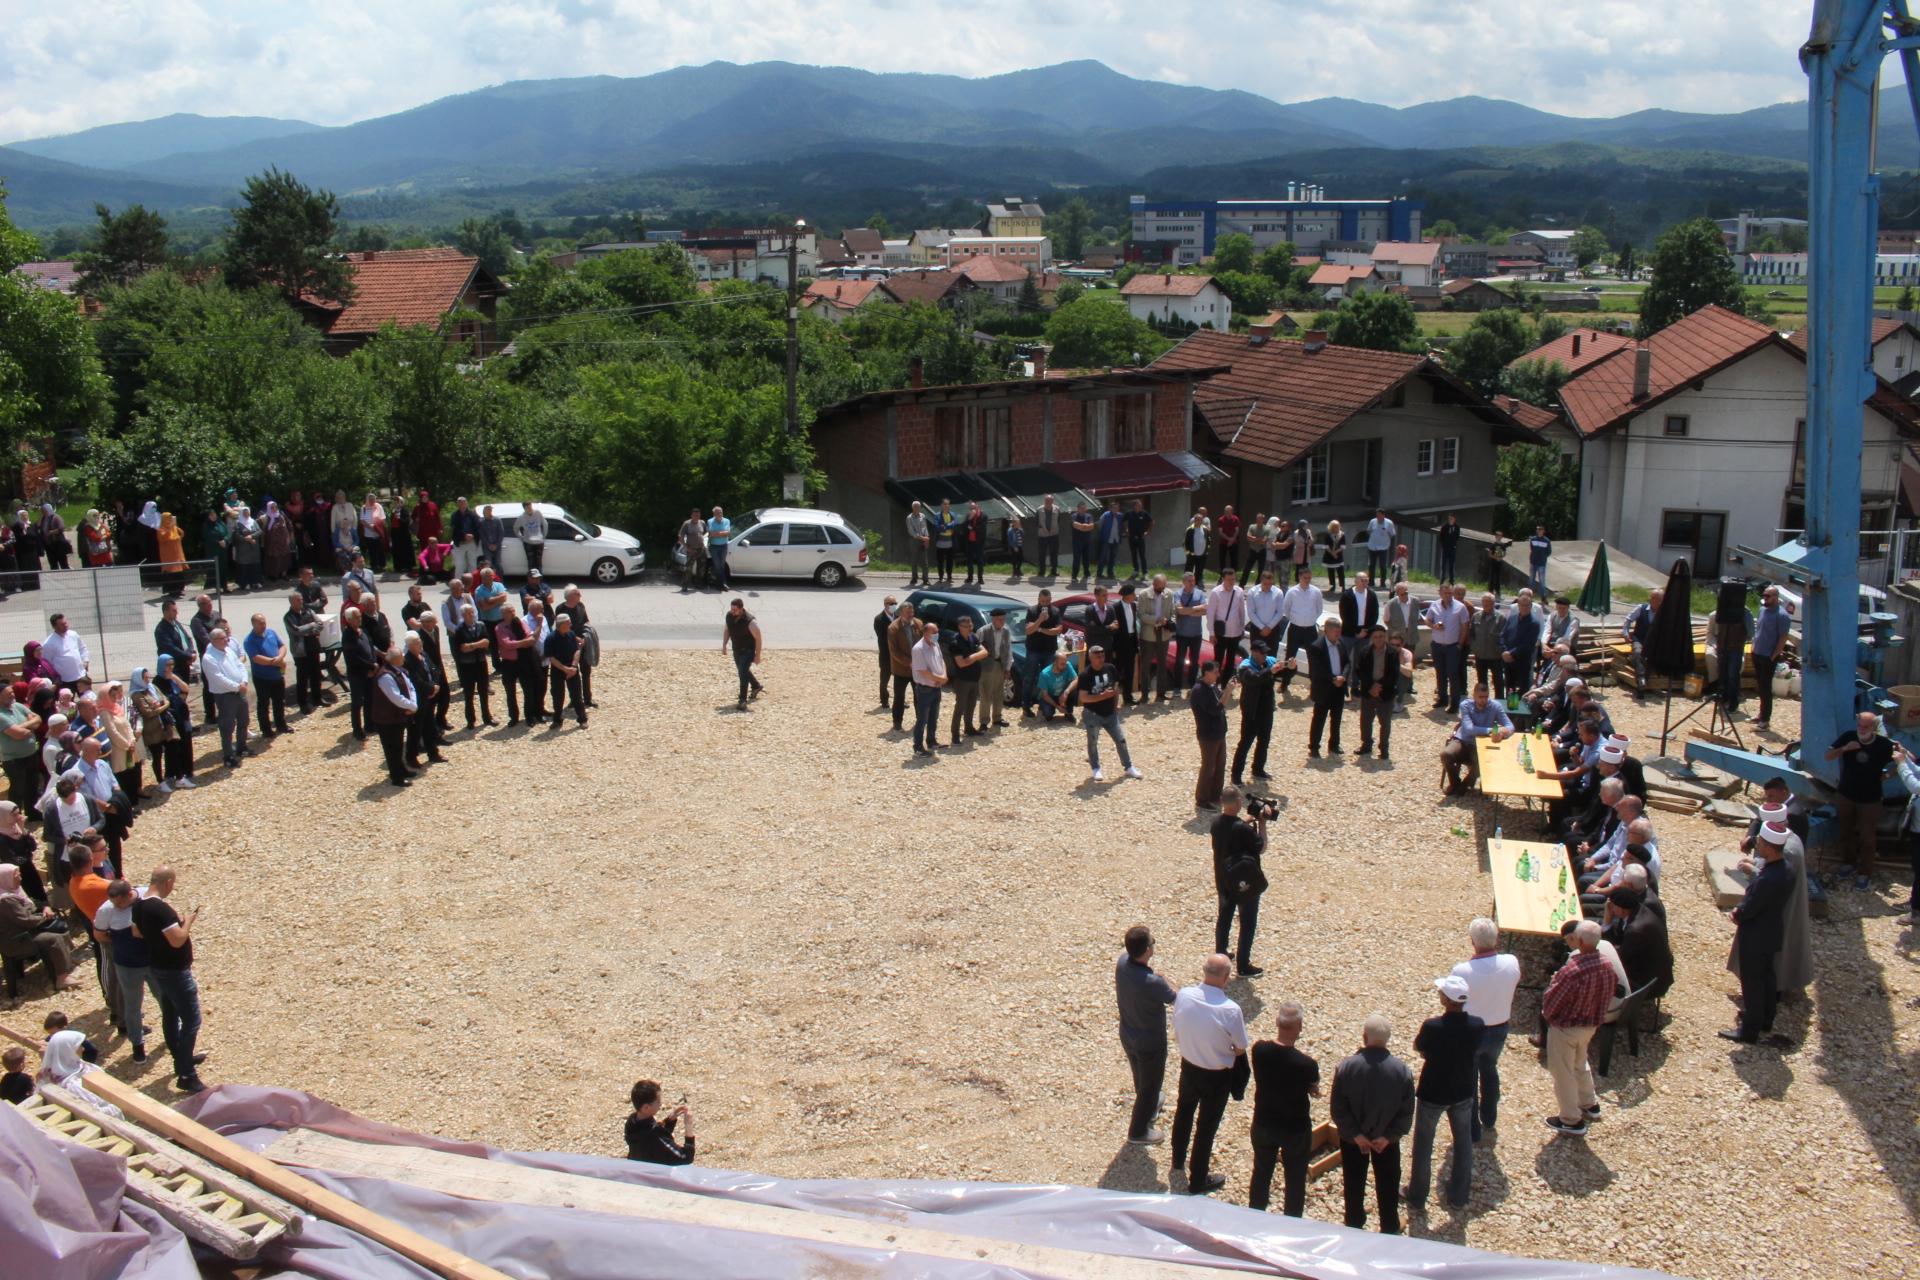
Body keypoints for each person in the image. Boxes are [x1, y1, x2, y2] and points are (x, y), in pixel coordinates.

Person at [1405, 975, 1484, 1214]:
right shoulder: (1477, 1025)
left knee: (1424, 1145)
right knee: (1463, 1144)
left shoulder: (1433, 1026)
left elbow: (1420, 1047)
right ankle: (1458, 1196)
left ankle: (1417, 1196)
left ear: (1446, 1000)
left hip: (1434, 1091)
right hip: (1463, 1089)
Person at [1330, 1015, 1415, 1234]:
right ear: (1387, 1040)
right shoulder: (1402, 1071)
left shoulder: (1346, 1067)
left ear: (1364, 1037)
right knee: (1388, 1184)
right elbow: (1406, 1113)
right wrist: (1388, 1136)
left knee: (1353, 1182)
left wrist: (1356, 1135)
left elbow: (1338, 1107)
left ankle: (1354, 1223)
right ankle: (1389, 1226)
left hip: (1353, 1140)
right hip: (1386, 1142)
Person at [1170, 955, 1248, 1195]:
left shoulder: (1184, 995)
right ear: (1225, 978)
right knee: (1206, 1127)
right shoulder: (1231, 1010)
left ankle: (1177, 1160)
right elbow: (1241, 1047)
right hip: (1216, 1076)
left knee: (1184, 1112)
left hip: (1189, 1066)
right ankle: (1198, 1179)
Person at [1721, 820, 1797, 1046]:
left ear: (1770, 847)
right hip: (1772, 931)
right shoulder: (1786, 869)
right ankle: (1765, 1018)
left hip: (1756, 934)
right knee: (1767, 977)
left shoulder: (1768, 878)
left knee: (1752, 982)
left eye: (1761, 842)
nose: (1758, 845)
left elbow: (1752, 905)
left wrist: (1737, 913)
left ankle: (1750, 1030)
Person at [133, 866, 206, 1093]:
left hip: (157, 967)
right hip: (176, 971)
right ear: (167, 882)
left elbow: (136, 933)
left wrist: (156, 938)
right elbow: (177, 940)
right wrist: (188, 921)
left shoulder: (140, 905)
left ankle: (181, 1059)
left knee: (170, 1014)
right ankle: (186, 1074)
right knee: (192, 1021)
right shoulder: (160, 909)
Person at [1450, 918, 1519, 1144]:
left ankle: (1472, 1130)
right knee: (1489, 1071)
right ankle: (1489, 1117)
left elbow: (1453, 998)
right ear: (1497, 938)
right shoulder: (1511, 962)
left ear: (1472, 942)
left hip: (1471, 1031)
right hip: (1499, 1027)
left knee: (1468, 1079)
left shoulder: (1462, 970)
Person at [1540, 920, 1611, 1137]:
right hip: (1590, 1026)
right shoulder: (1607, 964)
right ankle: (1589, 1103)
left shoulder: (1572, 971)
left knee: (1563, 1074)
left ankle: (1571, 1119)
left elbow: (1550, 1003)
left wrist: (1553, 987)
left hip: (1566, 1029)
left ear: (1579, 940)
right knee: (1581, 1063)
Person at [1247, 1001, 1319, 1216]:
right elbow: (1312, 1085)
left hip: (1264, 1122)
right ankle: (1291, 1221)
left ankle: (1255, 1214)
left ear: (1277, 1022)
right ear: (1300, 1026)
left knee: (1261, 1170)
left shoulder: (1259, 1050)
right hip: (1294, 1128)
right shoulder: (1306, 1064)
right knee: (1295, 1178)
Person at [1115, 925, 1176, 1145]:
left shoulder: (1122, 963)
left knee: (1140, 1076)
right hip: (1150, 1041)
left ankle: (1148, 1104)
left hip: (1128, 1033)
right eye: (1152, 942)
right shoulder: (1153, 982)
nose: (1154, 944)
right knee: (1151, 1084)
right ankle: (1138, 1131)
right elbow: (1175, 998)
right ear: (1147, 950)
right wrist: (1165, 979)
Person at [1825, 710, 1894, 887]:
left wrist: (1888, 776)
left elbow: (1905, 759)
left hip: (1870, 799)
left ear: (1874, 728)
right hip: (1846, 794)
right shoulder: (1848, 737)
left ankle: (1865, 872)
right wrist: (1844, 748)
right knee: (1845, 832)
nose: (1861, 729)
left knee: (1867, 838)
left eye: (1866, 727)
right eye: (1859, 726)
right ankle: (1848, 863)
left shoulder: (1883, 745)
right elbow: (1828, 756)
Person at [92, 877, 151, 1062]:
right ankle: (136, 1043)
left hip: (150, 959)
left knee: (163, 995)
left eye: (120, 902)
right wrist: (120, 943)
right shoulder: (106, 910)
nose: (117, 905)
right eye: (113, 902)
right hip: (126, 962)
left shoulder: (145, 896)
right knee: (132, 1004)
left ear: (129, 894)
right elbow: (99, 934)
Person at [1211, 787, 1268, 975]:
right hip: (1245, 882)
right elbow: (1261, 847)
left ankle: (1220, 956)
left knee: (1224, 918)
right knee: (1247, 922)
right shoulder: (1243, 829)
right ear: (1237, 803)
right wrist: (1262, 823)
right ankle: (1243, 966)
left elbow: (1231, 831)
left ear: (1221, 802)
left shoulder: (1216, 823)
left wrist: (1244, 822)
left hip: (1223, 879)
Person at [0, 862, 78, 992]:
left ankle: (65, 963)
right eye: (16, 876)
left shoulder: (11, 893)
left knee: (60, 929)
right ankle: (62, 978)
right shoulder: (5, 901)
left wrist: (44, 909)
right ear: (5, 879)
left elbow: (28, 908)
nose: (20, 878)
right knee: (54, 939)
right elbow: (25, 920)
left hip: (23, 932)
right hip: (17, 940)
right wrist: (45, 917)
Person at [1074, 646, 1138, 783]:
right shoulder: (1085, 675)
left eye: (1102, 655)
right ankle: (1095, 768)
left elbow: (1115, 688)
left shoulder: (1110, 669)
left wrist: (1115, 705)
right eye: (1098, 656)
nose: (1101, 658)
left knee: (1121, 740)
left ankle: (1128, 766)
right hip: (1093, 714)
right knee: (1093, 742)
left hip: (1110, 713)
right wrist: (1103, 696)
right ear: (1091, 658)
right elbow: (1083, 698)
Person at [1441, 684, 1513, 795]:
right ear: (1474, 695)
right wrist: (1491, 730)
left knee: (1483, 763)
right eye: (1480, 697)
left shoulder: (1495, 706)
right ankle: (1455, 783)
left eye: (1486, 697)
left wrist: (1503, 733)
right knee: (1445, 754)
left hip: (1481, 745)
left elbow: (1510, 726)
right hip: (1463, 741)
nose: (1484, 700)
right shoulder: (1465, 705)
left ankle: (1464, 786)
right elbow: (1469, 729)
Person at [1230, 643, 1279, 784]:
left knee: (1264, 742)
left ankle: (1258, 769)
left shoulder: (1270, 661)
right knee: (1245, 743)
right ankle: (1236, 776)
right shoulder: (1245, 666)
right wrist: (1271, 671)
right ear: (1254, 652)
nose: (1264, 656)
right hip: (1252, 711)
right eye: (1261, 653)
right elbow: (1254, 678)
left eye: (1265, 653)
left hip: (1266, 709)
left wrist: (1291, 668)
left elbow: (1283, 672)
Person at [370, 647, 418, 786]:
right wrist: (411, 706)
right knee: (392, 748)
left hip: (397, 716)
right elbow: (395, 697)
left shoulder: (398, 671)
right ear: (396, 659)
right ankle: (397, 777)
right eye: (401, 656)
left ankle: (401, 769)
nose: (404, 657)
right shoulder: (386, 676)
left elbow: (410, 688)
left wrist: (413, 704)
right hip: (386, 719)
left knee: (398, 746)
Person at [1304, 618, 1349, 758]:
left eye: (1339, 631)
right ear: (1327, 631)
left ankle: (1334, 744)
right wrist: (1333, 679)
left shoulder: (1341, 643)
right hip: (1324, 688)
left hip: (1339, 688)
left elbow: (1347, 662)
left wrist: (1344, 676)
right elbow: (1317, 669)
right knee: (1319, 719)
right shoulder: (1316, 647)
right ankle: (1314, 747)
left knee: (1336, 718)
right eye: (1336, 631)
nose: (1338, 634)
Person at [1276, 568, 1324, 698]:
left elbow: (1319, 609)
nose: (1307, 580)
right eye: (1305, 578)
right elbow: (1286, 609)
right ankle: (1284, 684)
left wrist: (1310, 618)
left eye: (1309, 578)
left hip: (1310, 629)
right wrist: (1296, 618)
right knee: (1290, 657)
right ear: (1300, 577)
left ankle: (1314, 687)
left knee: (1312, 658)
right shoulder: (1292, 592)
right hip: (1295, 628)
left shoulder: (1316, 592)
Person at [1424, 584, 1471, 713]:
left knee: (1453, 674)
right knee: (1440, 673)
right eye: (1445, 593)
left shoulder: (1460, 607)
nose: (1448, 596)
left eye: (1450, 593)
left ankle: (1455, 703)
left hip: (1452, 646)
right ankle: (1442, 698)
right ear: (1440, 594)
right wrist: (1433, 626)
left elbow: (1465, 626)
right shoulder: (1434, 605)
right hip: (1437, 645)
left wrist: (1460, 644)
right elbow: (1427, 620)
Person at [625, 1080, 695, 1165]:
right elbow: (686, 1157)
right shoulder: (655, 1135)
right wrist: (688, 1127)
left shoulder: (632, 1120)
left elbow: (652, 1138)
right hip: (653, 1174)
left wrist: (670, 1120)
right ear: (646, 1107)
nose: (661, 1104)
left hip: (638, 1165)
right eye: (658, 1102)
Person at [402, 632, 447, 764]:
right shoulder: (408, 661)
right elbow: (416, 680)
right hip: (419, 699)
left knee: (429, 726)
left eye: (419, 641)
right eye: (416, 642)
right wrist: (431, 689)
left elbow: (434, 669)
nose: (420, 644)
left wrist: (436, 684)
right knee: (415, 730)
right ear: (409, 646)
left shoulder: (424, 654)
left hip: (429, 696)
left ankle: (433, 753)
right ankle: (411, 757)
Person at [243, 614, 291, 737]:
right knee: (263, 703)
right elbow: (256, 658)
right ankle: (266, 729)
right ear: (253, 624)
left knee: (279, 701)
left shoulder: (271, 633)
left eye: (264, 622)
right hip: (262, 677)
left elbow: (282, 646)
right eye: (260, 623)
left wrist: (280, 657)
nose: (263, 625)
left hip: (277, 675)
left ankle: (281, 725)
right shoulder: (249, 640)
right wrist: (273, 662)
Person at [1750, 585, 1791, 726]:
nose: (1765, 598)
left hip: (1768, 656)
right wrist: (1753, 645)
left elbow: (1783, 637)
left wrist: (1774, 655)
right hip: (1757, 652)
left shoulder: (1782, 615)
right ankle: (1761, 713)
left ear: (1775, 597)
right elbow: (1758, 629)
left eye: (1768, 596)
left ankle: (1765, 719)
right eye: (1764, 595)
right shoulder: (1762, 610)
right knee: (1760, 685)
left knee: (1766, 687)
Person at [1191, 661, 1229, 810]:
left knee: (1220, 765)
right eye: (1215, 672)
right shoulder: (1199, 690)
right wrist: (1228, 692)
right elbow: (1215, 709)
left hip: (1219, 733)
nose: (1217, 674)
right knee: (1208, 767)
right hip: (1208, 735)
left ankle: (1215, 795)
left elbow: (1220, 701)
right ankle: (1202, 800)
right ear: (1206, 672)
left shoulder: (1212, 687)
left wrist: (1224, 691)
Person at [1020, 591, 1064, 716]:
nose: (1045, 603)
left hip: (1049, 650)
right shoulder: (1032, 611)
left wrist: (1039, 629)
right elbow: (1028, 631)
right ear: (1038, 599)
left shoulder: (1055, 611)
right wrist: (1039, 620)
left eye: (1047, 601)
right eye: (1043, 601)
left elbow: (1058, 630)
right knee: (1029, 678)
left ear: (1051, 600)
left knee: (1046, 679)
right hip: (1033, 650)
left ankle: (1043, 706)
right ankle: (1026, 706)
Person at [451, 604, 495, 729]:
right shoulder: (459, 629)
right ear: (463, 615)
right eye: (469, 613)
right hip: (467, 666)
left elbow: (486, 643)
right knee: (469, 694)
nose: (472, 615)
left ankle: (487, 717)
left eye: (473, 612)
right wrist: (477, 645)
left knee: (483, 692)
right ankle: (470, 720)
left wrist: (471, 645)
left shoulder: (481, 626)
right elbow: (462, 648)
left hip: (480, 663)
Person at [944, 614, 985, 740]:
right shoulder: (955, 642)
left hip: (974, 677)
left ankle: (969, 728)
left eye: (971, 625)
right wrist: (976, 656)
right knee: (960, 707)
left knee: (971, 705)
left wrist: (971, 657)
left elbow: (985, 652)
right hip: (962, 680)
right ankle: (955, 734)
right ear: (960, 627)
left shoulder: (973, 637)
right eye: (966, 626)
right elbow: (961, 663)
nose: (970, 628)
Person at [909, 620, 946, 755]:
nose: (937, 634)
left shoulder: (935, 644)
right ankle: (918, 747)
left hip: (936, 687)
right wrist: (940, 679)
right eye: (934, 632)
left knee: (933, 717)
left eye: (937, 632)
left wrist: (943, 677)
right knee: (922, 719)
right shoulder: (918, 649)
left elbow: (941, 661)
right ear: (925, 633)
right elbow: (922, 671)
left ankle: (931, 741)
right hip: (925, 689)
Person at [545, 614, 588, 728]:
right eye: (568, 623)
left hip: (572, 669)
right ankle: (557, 720)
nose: (571, 624)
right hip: (558, 670)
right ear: (562, 624)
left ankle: (582, 719)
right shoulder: (551, 638)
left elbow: (577, 650)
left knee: (577, 696)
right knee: (558, 696)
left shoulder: (571, 634)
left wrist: (573, 667)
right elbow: (551, 658)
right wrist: (565, 669)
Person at [721, 599, 764, 711]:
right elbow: (727, 630)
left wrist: (757, 655)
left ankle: (742, 701)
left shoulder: (750, 621)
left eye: (735, 610)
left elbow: (758, 638)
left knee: (742, 674)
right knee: (742, 670)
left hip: (748, 651)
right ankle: (756, 686)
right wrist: (724, 644)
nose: (732, 611)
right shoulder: (729, 616)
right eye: (731, 609)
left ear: (741, 609)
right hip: (736, 650)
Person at [1138, 574, 1175, 702]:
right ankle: (1144, 695)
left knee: (1162, 665)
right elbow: (1141, 615)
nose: (1161, 589)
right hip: (1148, 634)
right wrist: (1156, 620)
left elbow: (1173, 612)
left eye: (1163, 587)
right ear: (1153, 584)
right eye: (1159, 587)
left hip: (1163, 634)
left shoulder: (1169, 594)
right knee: (1146, 666)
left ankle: (1161, 693)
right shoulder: (1143, 595)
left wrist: (1170, 623)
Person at [979, 608, 1013, 729]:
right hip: (987, 665)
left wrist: (1008, 668)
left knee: (999, 693)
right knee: (985, 694)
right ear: (993, 619)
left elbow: (1009, 651)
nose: (1002, 621)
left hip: (1000, 664)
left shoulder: (1006, 632)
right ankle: (984, 721)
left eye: (1003, 619)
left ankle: (997, 718)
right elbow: (976, 649)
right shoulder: (983, 631)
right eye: (999, 619)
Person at [886, 603, 917, 731]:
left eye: (911, 612)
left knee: (919, 696)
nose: (910, 615)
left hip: (917, 669)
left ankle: (921, 719)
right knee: (899, 698)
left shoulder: (918, 624)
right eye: (907, 613)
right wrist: (909, 662)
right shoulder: (893, 628)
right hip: (901, 670)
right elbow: (894, 651)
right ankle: (897, 722)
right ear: (900, 613)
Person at [41, 615, 91, 691]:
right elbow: (47, 664)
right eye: (62, 624)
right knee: (67, 702)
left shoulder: (73, 634)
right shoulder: (48, 643)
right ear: (54, 626)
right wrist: (55, 678)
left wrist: (86, 661)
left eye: (66, 623)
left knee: (88, 698)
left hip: (81, 675)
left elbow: (82, 648)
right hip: (64, 681)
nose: (66, 625)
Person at [1032, 651, 1077, 723]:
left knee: (1074, 689)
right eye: (1062, 664)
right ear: (1055, 663)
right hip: (1050, 696)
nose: (1065, 666)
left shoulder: (1067, 665)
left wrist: (1066, 692)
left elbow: (1076, 679)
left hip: (1062, 694)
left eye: (1065, 663)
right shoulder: (1045, 674)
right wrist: (1057, 706)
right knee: (1048, 715)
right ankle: (1042, 708)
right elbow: (1045, 695)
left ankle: (1068, 712)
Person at [873, 597, 899, 710]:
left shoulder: (898, 617)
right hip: (886, 656)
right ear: (885, 604)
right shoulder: (879, 619)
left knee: (899, 681)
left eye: (895, 603)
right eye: (891, 603)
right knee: (884, 680)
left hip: (898, 656)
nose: (894, 605)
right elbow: (883, 638)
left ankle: (899, 701)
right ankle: (884, 700)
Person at [1338, 571, 1378, 639]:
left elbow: (1375, 614)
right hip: (1349, 633)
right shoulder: (1347, 595)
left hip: (1366, 633)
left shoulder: (1372, 595)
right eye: (1362, 580)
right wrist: (1356, 632)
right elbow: (1344, 615)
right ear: (1355, 581)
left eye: (1366, 580)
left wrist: (1366, 630)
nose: (1364, 583)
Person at [450, 497, 482, 578]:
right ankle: (458, 584)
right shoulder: (454, 515)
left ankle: (473, 583)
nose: (462, 504)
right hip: (460, 543)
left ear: (467, 503)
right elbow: (455, 529)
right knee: (459, 564)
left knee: (472, 564)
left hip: (472, 542)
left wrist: (473, 535)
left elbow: (478, 527)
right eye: (460, 502)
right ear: (457, 504)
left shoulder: (473, 515)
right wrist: (464, 536)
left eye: (464, 502)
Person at [512, 505, 548, 576]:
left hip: (539, 542)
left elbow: (545, 523)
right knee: (531, 562)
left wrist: (544, 535)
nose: (530, 509)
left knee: (538, 562)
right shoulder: (521, 517)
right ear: (524, 508)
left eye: (530, 507)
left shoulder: (537, 513)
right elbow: (515, 528)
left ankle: (539, 580)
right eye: (528, 508)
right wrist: (521, 537)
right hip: (528, 542)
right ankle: (531, 579)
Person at [961, 501, 990, 587]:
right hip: (970, 542)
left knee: (980, 560)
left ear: (978, 507)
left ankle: (980, 578)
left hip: (979, 542)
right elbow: (963, 527)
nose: (972, 510)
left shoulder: (983, 516)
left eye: (974, 508)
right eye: (971, 508)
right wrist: (969, 519)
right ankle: (970, 577)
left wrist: (972, 527)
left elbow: (981, 529)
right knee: (969, 560)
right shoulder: (968, 516)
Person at [903, 501, 930, 586]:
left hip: (923, 539)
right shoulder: (909, 518)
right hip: (914, 540)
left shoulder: (923, 516)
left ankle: (925, 579)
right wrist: (923, 538)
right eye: (915, 507)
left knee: (924, 561)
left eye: (918, 507)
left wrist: (927, 539)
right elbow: (911, 532)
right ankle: (914, 579)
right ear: (912, 508)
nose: (917, 508)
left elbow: (925, 527)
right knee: (914, 561)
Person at [705, 507, 733, 591]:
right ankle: (722, 584)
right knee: (717, 566)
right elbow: (710, 534)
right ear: (714, 514)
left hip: (723, 546)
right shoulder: (710, 521)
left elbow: (727, 533)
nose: (719, 514)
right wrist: (722, 533)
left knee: (722, 565)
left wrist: (716, 533)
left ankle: (721, 584)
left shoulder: (727, 521)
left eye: (720, 512)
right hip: (714, 546)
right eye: (717, 513)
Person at [931, 499, 959, 583]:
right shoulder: (937, 515)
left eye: (948, 504)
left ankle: (949, 577)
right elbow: (937, 527)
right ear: (941, 505)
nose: (946, 506)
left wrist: (946, 526)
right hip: (940, 543)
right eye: (945, 504)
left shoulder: (952, 514)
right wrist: (949, 526)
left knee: (950, 562)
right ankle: (940, 577)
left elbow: (955, 523)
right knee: (940, 562)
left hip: (951, 543)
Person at [1126, 499, 1153, 580]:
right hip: (1132, 538)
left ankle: (1145, 573)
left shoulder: (1144, 513)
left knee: (1142, 556)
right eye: (1138, 505)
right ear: (1134, 506)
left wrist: (1147, 532)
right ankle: (1136, 571)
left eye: (1140, 505)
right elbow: (1123, 521)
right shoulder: (1129, 513)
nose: (1140, 506)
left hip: (1141, 537)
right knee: (1134, 555)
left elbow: (1152, 522)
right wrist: (1126, 530)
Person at [1035, 495, 1061, 578]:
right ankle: (1042, 571)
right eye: (1046, 501)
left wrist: (1054, 528)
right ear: (1044, 501)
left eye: (1049, 501)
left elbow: (1059, 520)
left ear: (1052, 501)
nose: (1048, 503)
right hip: (1043, 535)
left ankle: (1054, 570)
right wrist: (1042, 527)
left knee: (1054, 553)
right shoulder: (1039, 509)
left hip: (1054, 535)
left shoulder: (1057, 509)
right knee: (1042, 554)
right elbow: (1036, 522)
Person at [1183, 512, 1208, 587]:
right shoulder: (1190, 529)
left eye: (1201, 520)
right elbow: (1185, 542)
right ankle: (1186, 584)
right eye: (1197, 520)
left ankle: (1196, 584)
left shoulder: (1205, 529)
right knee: (1188, 570)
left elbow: (1208, 540)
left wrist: (1206, 551)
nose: (1199, 521)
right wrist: (1188, 552)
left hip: (1202, 554)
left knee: (1199, 570)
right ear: (1194, 520)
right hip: (1192, 554)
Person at [1527, 523, 1551, 595]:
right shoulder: (1533, 539)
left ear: (1543, 531)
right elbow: (1532, 549)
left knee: (1542, 581)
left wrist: (1543, 557)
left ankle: (1543, 597)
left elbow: (1549, 552)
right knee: (1531, 580)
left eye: (1540, 529)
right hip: (1533, 562)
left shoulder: (1546, 540)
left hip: (1541, 564)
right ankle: (1529, 595)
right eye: (1537, 529)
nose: (1538, 530)